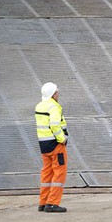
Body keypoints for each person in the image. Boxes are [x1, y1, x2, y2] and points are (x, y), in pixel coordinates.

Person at [35, 82, 69, 213]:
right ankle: (53, 203)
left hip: (44, 145)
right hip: (56, 145)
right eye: (56, 92)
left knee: (46, 173)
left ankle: (43, 203)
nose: (58, 94)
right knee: (59, 173)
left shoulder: (40, 106)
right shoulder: (54, 107)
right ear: (53, 94)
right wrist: (63, 139)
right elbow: (55, 125)